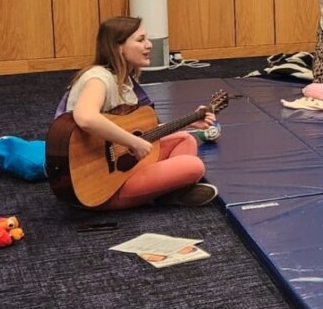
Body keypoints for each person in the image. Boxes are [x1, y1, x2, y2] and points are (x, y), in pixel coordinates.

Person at [53, 16, 217, 209]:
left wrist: (189, 122)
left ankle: (163, 190)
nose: (149, 45)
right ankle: (162, 191)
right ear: (118, 48)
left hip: (119, 167)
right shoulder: (98, 78)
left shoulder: (125, 83)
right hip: (98, 186)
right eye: (140, 40)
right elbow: (86, 118)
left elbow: (139, 132)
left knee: (184, 140)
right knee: (194, 166)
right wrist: (132, 142)